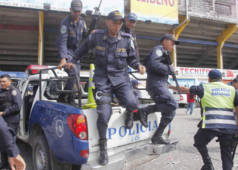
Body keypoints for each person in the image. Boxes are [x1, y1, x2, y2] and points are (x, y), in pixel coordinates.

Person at [63, 10, 146, 165]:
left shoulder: (127, 39)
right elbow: (81, 49)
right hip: (102, 79)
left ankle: (130, 112)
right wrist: (72, 60)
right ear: (107, 22)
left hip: (121, 78)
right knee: (103, 114)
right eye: (114, 22)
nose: (117, 25)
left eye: (120, 23)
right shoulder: (96, 36)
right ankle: (103, 147)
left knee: (133, 103)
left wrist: (139, 66)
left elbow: (132, 60)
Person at [180, 70, 238, 170]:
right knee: (226, 153)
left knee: (199, 141)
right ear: (221, 79)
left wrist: (170, 86)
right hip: (229, 126)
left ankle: (208, 164)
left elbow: (184, 89)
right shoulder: (231, 89)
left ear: (209, 79)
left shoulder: (204, 87)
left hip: (211, 124)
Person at [142, 34, 179, 144]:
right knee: (173, 104)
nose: (173, 46)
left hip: (160, 84)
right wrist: (169, 69)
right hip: (156, 84)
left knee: (170, 112)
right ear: (165, 41)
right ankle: (145, 110)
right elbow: (153, 64)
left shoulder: (165, 53)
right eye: (172, 43)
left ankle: (157, 136)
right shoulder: (158, 49)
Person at [57, 0, 88, 105]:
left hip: (77, 53)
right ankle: (70, 98)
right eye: (75, 11)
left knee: (76, 76)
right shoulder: (65, 23)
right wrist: (63, 58)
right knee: (73, 72)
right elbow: (62, 41)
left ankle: (62, 96)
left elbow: (86, 36)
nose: (77, 13)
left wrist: (91, 33)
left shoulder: (82, 22)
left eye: (79, 11)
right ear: (70, 10)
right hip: (68, 51)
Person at [0, 74, 22, 170]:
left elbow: (17, 107)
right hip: (1, 121)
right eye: (0, 81)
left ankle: (12, 165)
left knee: (10, 143)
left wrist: (4, 113)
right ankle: (4, 163)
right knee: (1, 142)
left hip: (11, 121)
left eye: (4, 81)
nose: (2, 83)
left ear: (9, 81)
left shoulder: (14, 91)